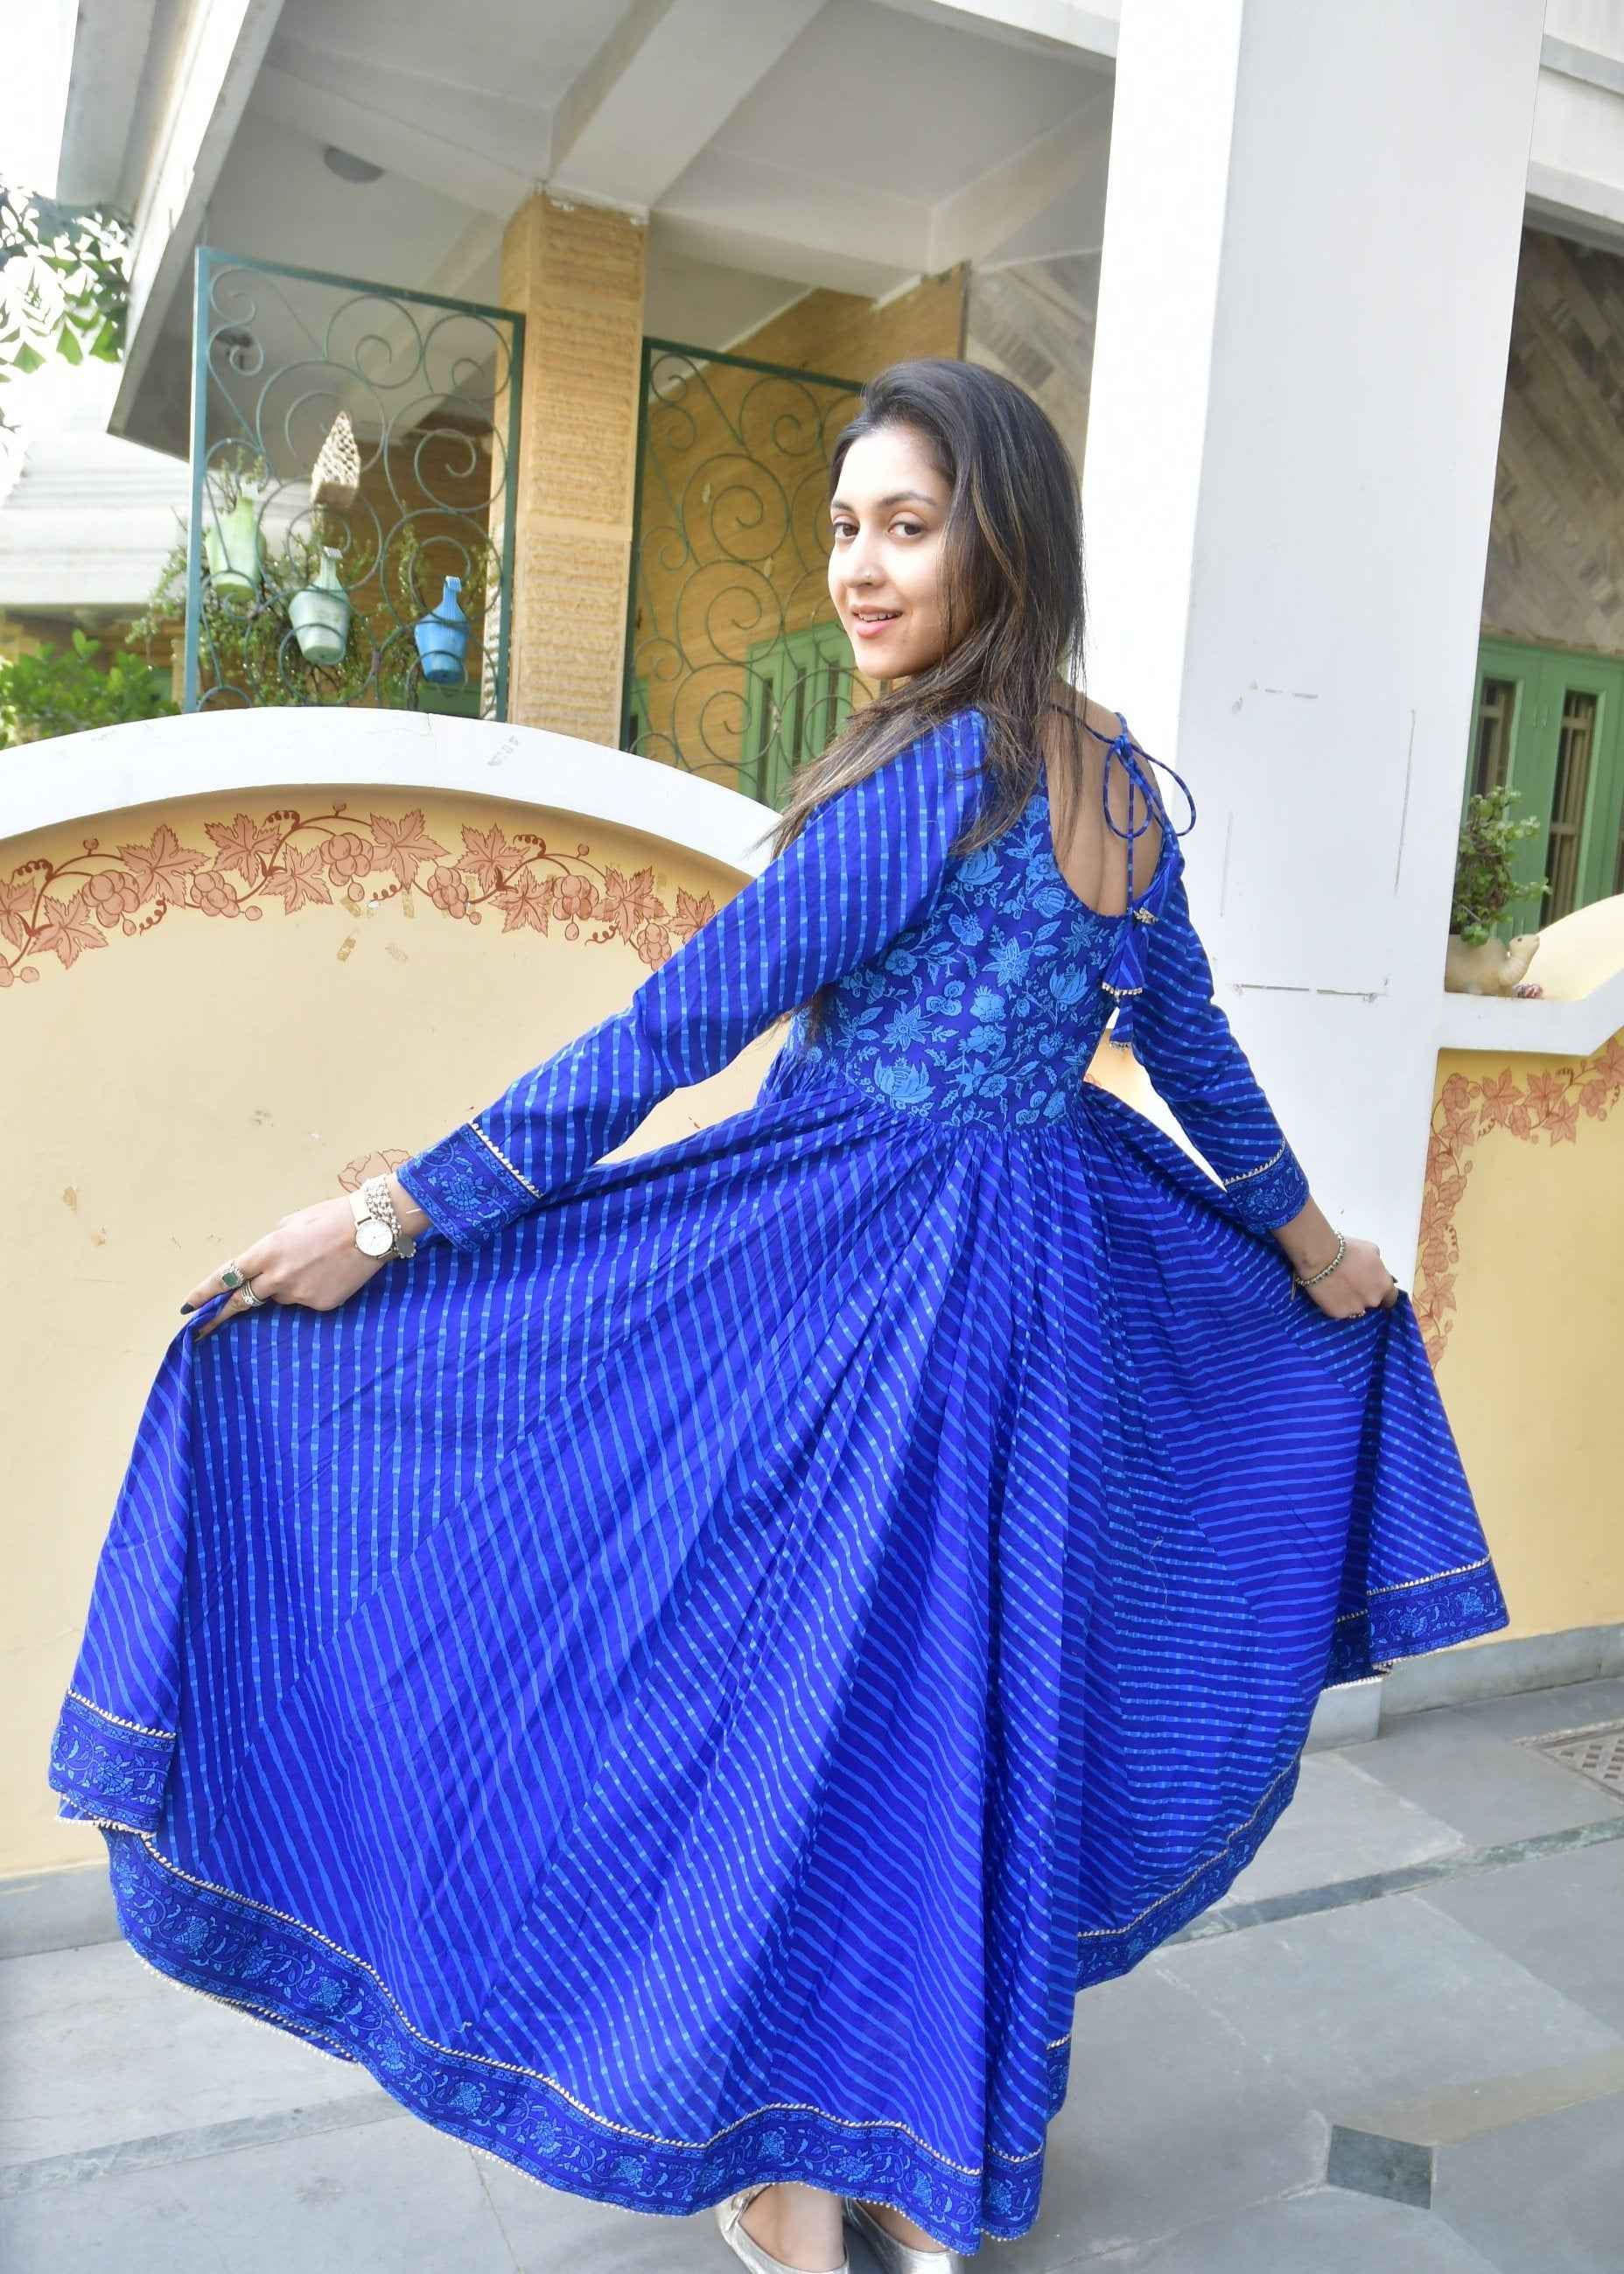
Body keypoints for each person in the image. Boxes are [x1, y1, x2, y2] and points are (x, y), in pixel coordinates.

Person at [47, 358, 1509, 2274]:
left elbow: (676, 1030)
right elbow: (1196, 1060)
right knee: (934, 1728)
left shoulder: (934, 780)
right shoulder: (1111, 781)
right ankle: (882, 2150)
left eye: (908, 526)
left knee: (788, 1721)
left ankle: (802, 2165)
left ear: (1007, 540)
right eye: (844, 528)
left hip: (856, 1306)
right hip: (1023, 1317)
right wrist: (1312, 1249)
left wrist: (390, 1216)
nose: (859, 570)